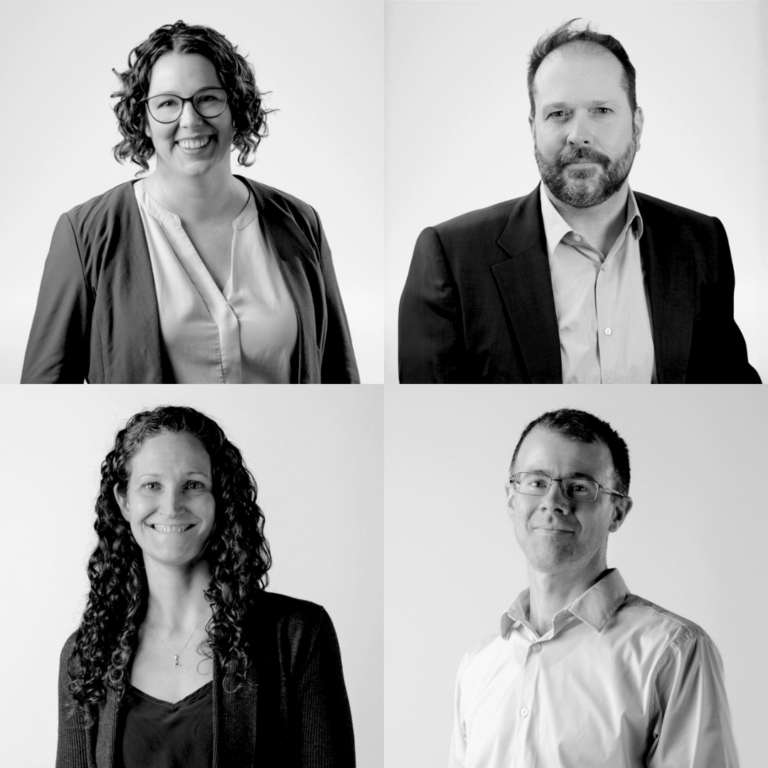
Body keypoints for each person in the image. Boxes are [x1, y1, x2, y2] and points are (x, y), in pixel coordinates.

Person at [399, 19, 760, 384]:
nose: (578, 135)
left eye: (601, 110)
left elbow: (734, 394)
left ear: (637, 125)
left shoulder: (702, 243)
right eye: (559, 114)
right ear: (533, 128)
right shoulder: (450, 257)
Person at [23, 21, 358, 384]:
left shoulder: (300, 222)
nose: (190, 119)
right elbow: (45, 386)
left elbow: (339, 376)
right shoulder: (85, 234)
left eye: (208, 98)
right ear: (144, 120)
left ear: (236, 108)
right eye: (167, 103)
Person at [57, 406, 356, 767]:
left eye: (193, 485)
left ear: (219, 498)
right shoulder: (86, 653)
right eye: (152, 485)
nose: (171, 506)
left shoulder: (296, 635)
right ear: (124, 500)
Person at [448, 408, 738, 767]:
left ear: (617, 512)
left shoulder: (672, 653)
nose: (554, 502)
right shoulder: (477, 667)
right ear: (511, 499)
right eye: (536, 482)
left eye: (580, 488)